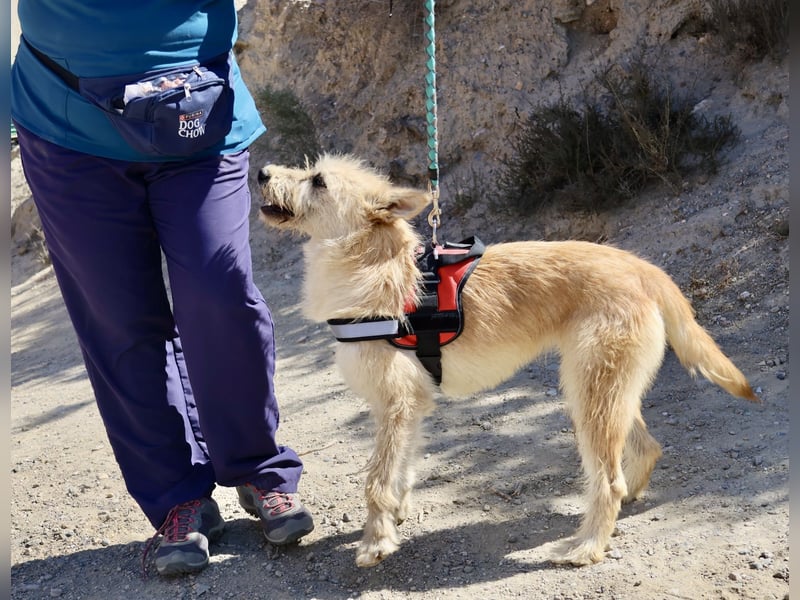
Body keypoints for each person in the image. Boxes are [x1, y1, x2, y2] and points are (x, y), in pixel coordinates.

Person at [11, 1, 314, 577]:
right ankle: (178, 499)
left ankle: (260, 469)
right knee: (117, 316)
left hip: (198, 115)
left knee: (219, 290)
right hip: (69, 127)